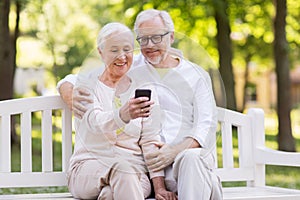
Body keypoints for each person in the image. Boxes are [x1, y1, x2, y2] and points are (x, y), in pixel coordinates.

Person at [58, 9, 223, 199]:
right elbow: (76, 78)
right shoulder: (131, 63)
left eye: (156, 38)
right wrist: (69, 93)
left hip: (186, 158)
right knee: (115, 189)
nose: (149, 45)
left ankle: (207, 183)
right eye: (143, 39)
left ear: (171, 37)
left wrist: (173, 152)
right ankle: (208, 186)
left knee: (190, 159)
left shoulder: (196, 75)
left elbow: (206, 126)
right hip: (150, 168)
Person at [66, 22, 177, 200]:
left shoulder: (145, 87)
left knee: (111, 194)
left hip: (135, 173)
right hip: (88, 168)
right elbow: (93, 123)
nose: (122, 56)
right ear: (100, 52)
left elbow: (149, 140)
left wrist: (159, 188)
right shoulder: (86, 85)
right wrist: (123, 114)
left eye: (127, 49)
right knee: (122, 168)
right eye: (114, 50)